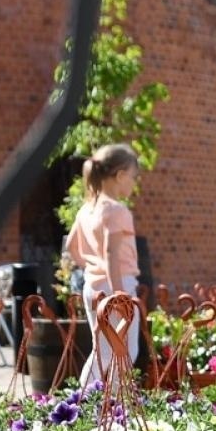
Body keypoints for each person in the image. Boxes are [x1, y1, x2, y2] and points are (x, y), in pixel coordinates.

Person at [63, 143, 142, 391]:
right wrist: (119, 294)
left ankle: (83, 400)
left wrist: (92, 267)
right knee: (126, 350)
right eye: (133, 177)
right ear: (120, 175)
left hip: (93, 286)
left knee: (102, 351)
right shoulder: (117, 210)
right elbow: (111, 253)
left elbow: (72, 247)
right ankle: (116, 402)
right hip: (117, 284)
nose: (134, 183)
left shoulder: (87, 209)